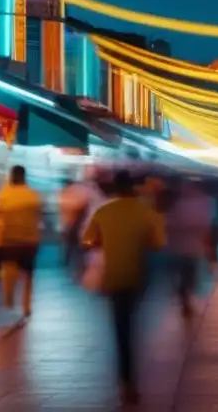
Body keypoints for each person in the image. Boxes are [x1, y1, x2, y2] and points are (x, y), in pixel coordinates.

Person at [83, 169, 165, 406]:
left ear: (115, 189)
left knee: (121, 329)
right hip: (139, 275)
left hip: (112, 276)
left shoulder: (103, 211)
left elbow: (88, 240)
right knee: (132, 323)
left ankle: (127, 381)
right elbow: (158, 243)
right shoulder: (147, 212)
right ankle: (131, 377)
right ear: (133, 188)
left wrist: (102, 240)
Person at [0, 165, 43, 317]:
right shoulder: (33, 195)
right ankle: (26, 305)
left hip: (9, 239)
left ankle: (9, 298)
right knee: (28, 274)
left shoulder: (3, 194)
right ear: (24, 176)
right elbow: (38, 217)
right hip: (29, 239)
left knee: (8, 269)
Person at [165, 176, 215, 317]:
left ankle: (185, 298)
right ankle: (185, 298)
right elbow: (208, 225)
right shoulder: (203, 202)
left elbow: (169, 223)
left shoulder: (181, 203)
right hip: (188, 247)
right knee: (187, 274)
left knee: (186, 274)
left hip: (185, 247)